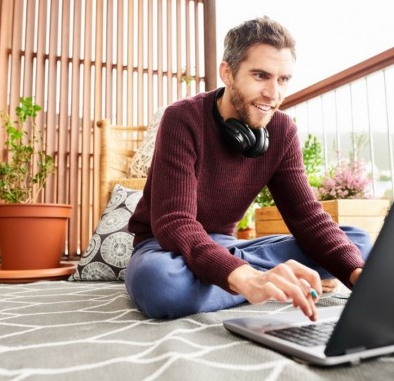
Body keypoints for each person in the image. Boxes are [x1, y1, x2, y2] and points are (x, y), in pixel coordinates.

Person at [126, 16, 372, 320]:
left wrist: (357, 275)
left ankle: (251, 280)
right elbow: (174, 222)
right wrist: (246, 277)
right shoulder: (182, 118)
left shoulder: (281, 131)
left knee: (358, 245)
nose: (273, 94)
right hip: (165, 249)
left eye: (282, 80)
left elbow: (307, 217)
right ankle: (258, 283)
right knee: (160, 284)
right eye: (261, 76)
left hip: (229, 247)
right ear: (227, 73)